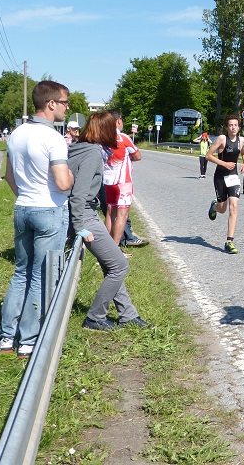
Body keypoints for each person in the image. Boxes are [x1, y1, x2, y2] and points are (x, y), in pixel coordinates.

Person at [0, 80, 74, 358]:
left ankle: (7, 336)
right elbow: (63, 183)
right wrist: (72, 176)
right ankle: (29, 340)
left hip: (23, 208)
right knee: (41, 276)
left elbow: (8, 175)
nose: (67, 108)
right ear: (51, 104)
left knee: (21, 271)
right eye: (65, 102)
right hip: (49, 211)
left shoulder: (16, 134)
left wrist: (26, 195)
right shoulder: (53, 137)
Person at [68, 112, 151, 331]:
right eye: (111, 128)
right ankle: (95, 317)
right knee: (120, 265)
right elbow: (78, 194)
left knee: (111, 263)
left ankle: (128, 314)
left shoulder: (81, 147)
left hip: (88, 214)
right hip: (85, 216)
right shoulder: (94, 153)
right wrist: (80, 227)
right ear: (104, 131)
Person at [206, 114, 244, 254]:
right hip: (220, 176)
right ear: (226, 127)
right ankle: (214, 206)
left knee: (234, 207)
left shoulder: (242, 140)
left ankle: (229, 242)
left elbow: (243, 153)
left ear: (239, 126)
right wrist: (224, 163)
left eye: (235, 125)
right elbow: (208, 155)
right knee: (222, 208)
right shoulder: (222, 139)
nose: (233, 127)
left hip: (233, 177)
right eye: (230, 125)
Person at [103, 110, 141, 247]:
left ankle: (106, 247)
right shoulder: (123, 138)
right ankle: (115, 249)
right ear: (118, 120)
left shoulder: (103, 137)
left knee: (110, 212)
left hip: (108, 181)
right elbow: (138, 156)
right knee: (122, 214)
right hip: (122, 182)